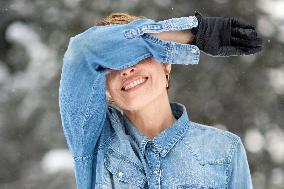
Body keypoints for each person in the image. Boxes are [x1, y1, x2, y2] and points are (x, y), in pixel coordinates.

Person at [59, 12, 262, 189]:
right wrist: (192, 35)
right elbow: (82, 50)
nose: (127, 69)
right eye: (110, 64)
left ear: (165, 63)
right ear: (105, 89)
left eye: (137, 56)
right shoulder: (93, 143)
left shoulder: (224, 150)